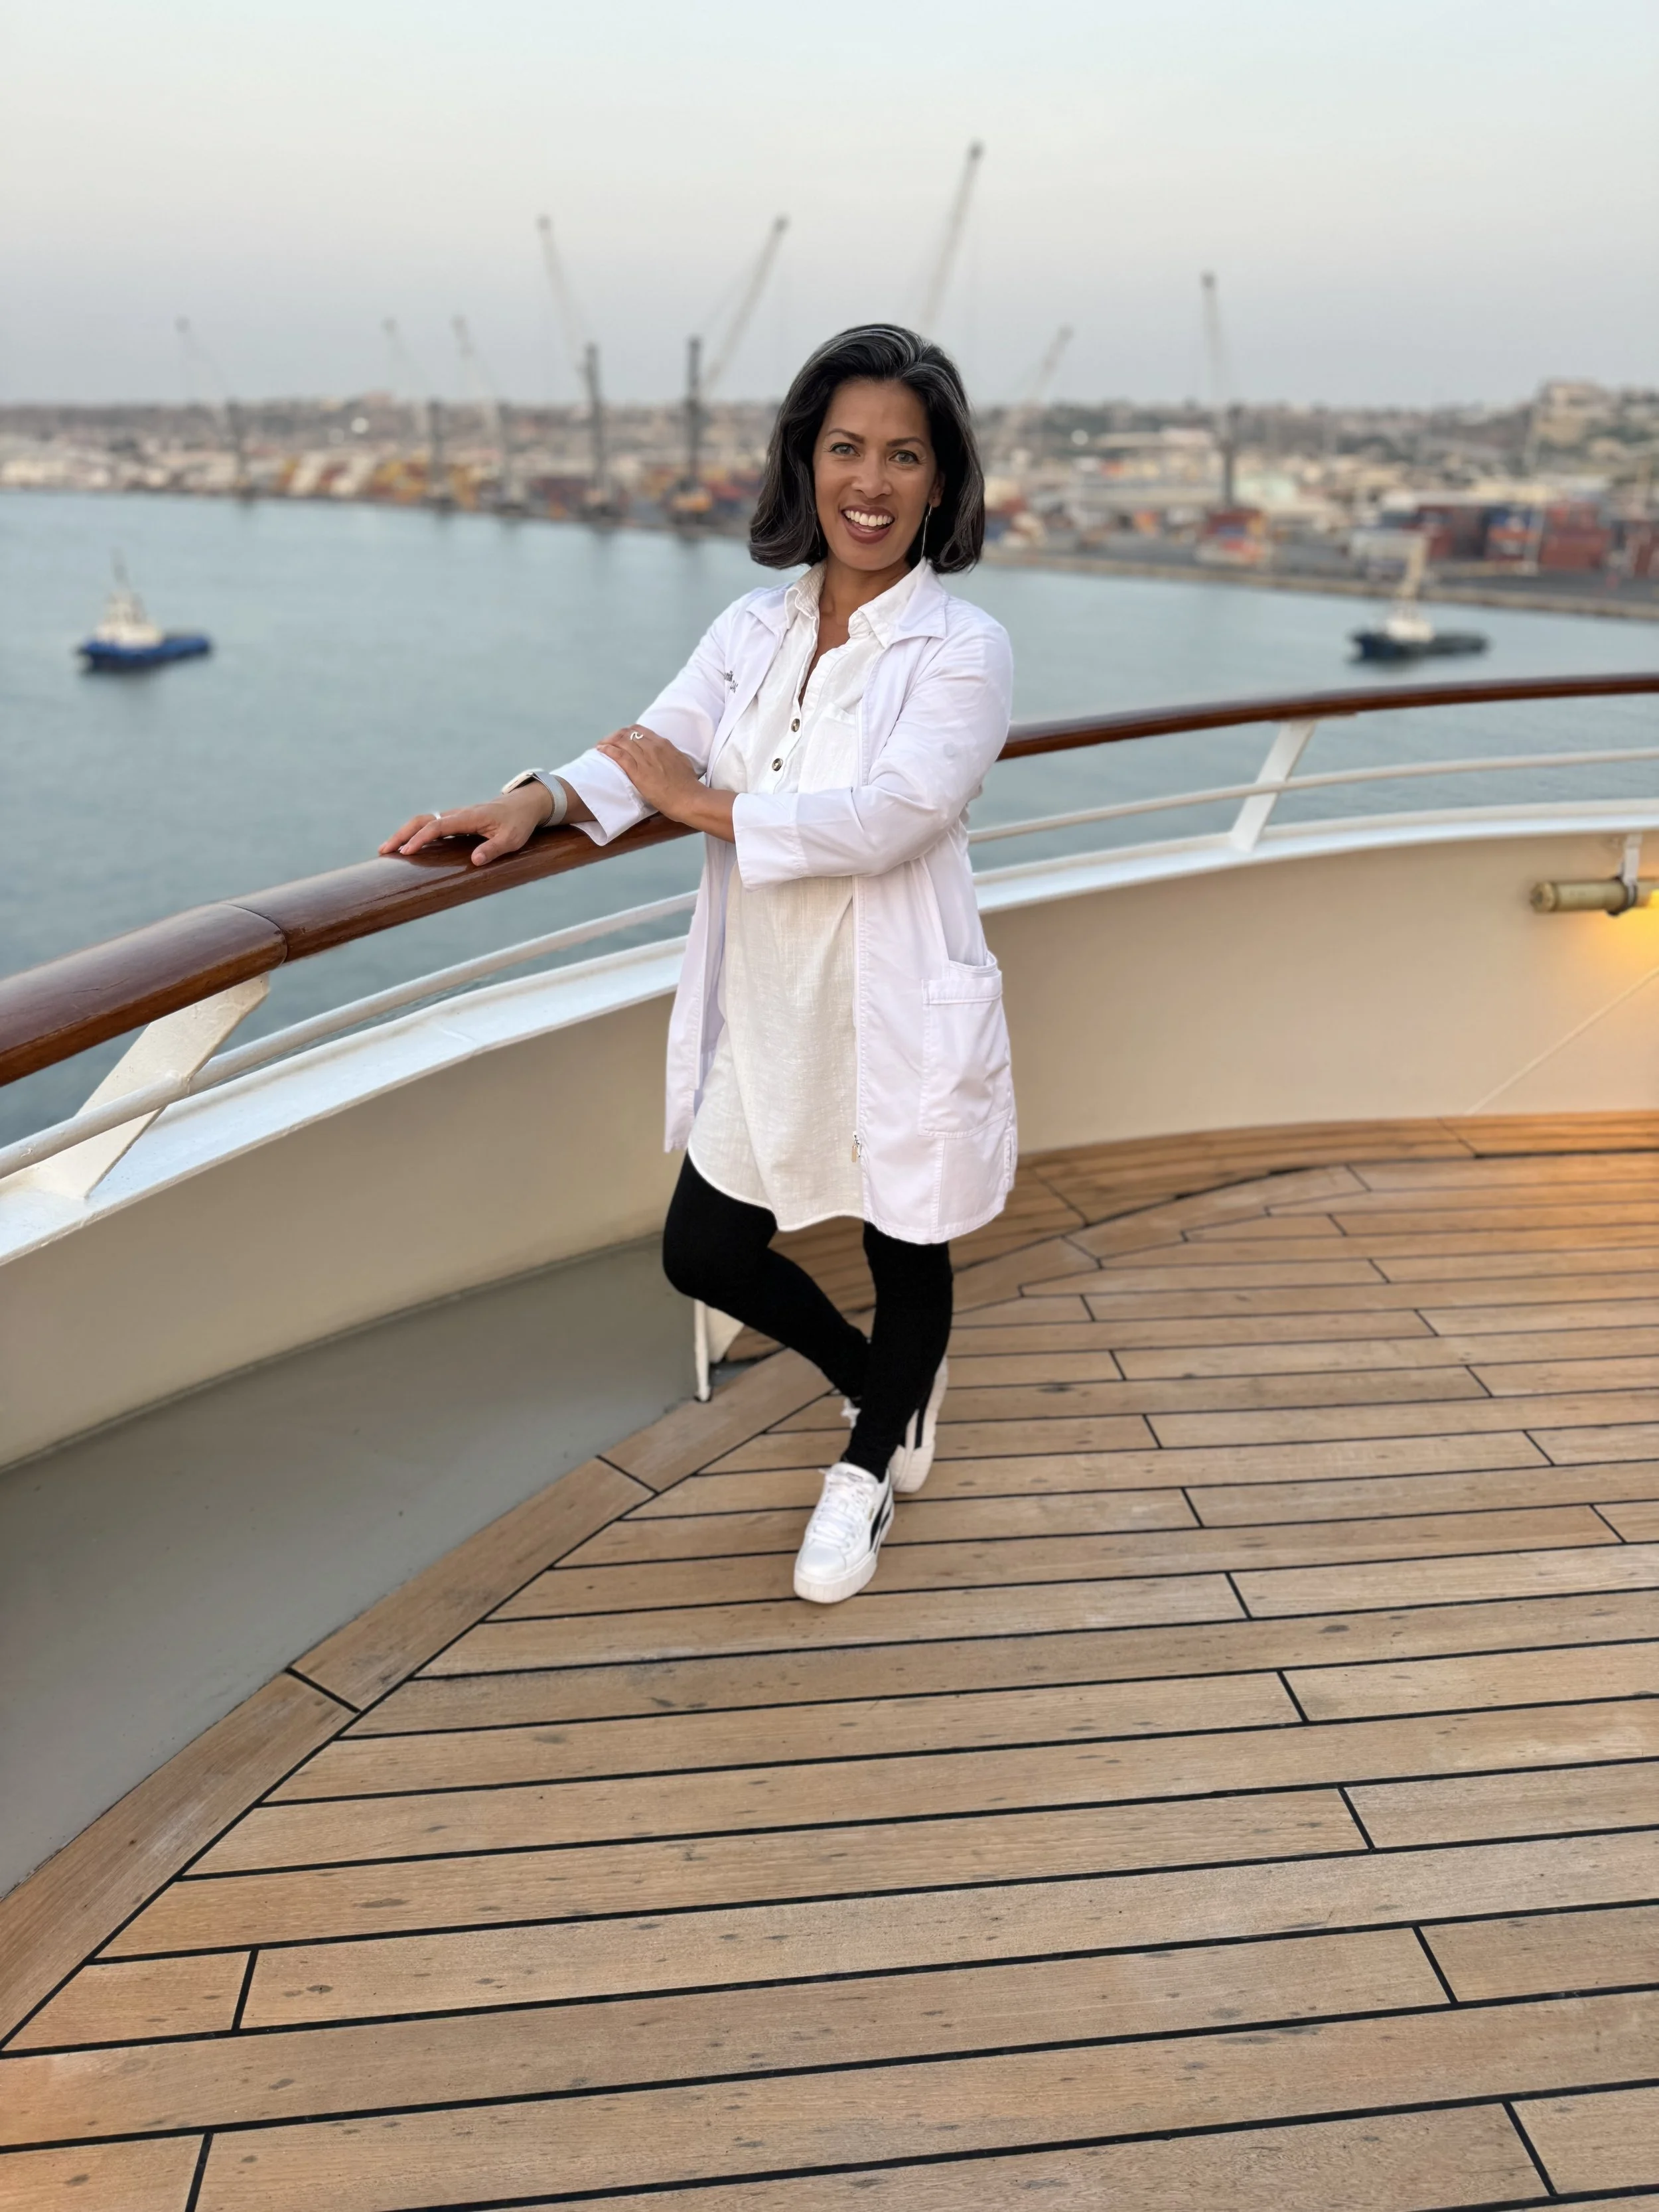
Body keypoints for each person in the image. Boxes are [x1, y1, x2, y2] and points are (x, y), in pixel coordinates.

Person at [381, 324, 1015, 1605]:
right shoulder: (750, 628)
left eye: (905, 455)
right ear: (807, 461)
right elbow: (654, 747)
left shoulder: (964, 649)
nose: (872, 483)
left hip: (886, 991)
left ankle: (868, 1463)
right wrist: (538, 800)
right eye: (847, 448)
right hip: (771, 996)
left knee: (910, 1243)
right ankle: (881, 1388)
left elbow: (898, 813)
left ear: (942, 482)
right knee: (706, 1250)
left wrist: (701, 804)